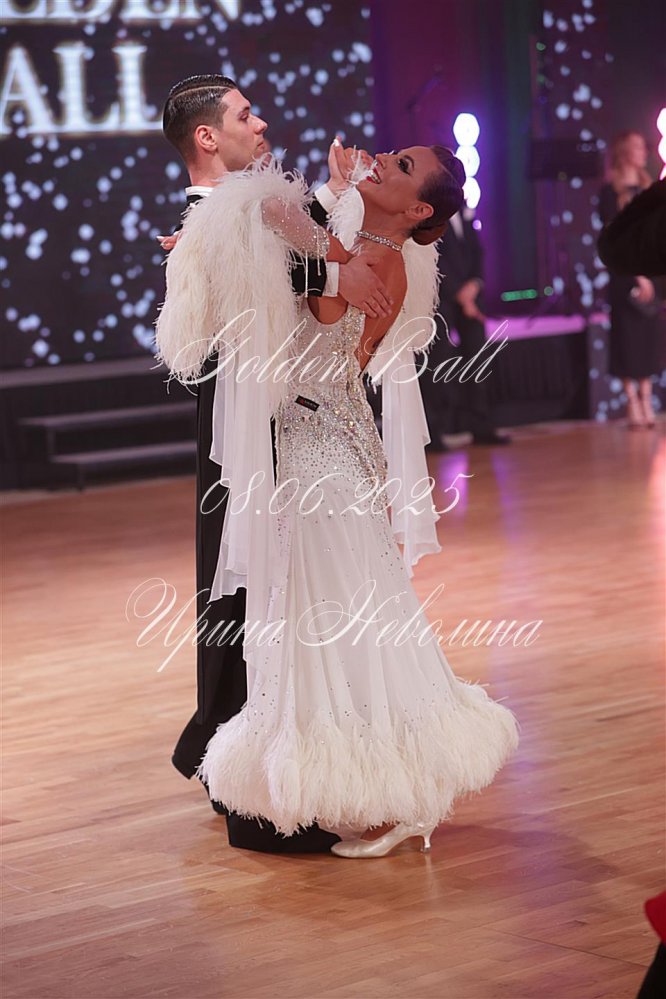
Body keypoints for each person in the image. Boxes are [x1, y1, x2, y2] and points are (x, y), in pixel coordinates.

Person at [156, 142, 520, 858]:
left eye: (403, 166)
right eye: (394, 152)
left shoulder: (374, 264)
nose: (384, 159)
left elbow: (277, 227)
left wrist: (305, 232)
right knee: (331, 622)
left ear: (417, 209)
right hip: (320, 451)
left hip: (321, 460)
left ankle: (389, 801)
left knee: (334, 625)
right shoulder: (357, 250)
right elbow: (288, 249)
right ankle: (389, 794)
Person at [159, 75, 392, 854]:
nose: (260, 125)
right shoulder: (207, 217)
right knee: (242, 589)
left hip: (275, 419)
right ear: (206, 137)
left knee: (253, 590)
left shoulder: (233, 213)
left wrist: (330, 201)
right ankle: (249, 790)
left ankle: (223, 755)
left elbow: (271, 246)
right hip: (240, 431)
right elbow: (248, 280)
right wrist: (333, 274)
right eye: (243, 115)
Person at [421, 207, 510, 449]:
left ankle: (481, 424)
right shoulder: (429, 212)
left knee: (478, 358)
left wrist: (475, 284)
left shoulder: (464, 212)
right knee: (438, 362)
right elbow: (432, 256)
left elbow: (477, 251)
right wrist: (459, 293)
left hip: (470, 296)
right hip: (440, 299)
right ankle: (434, 430)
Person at [597, 132, 664, 430]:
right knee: (627, 340)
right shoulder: (609, 193)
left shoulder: (649, 187)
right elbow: (616, 241)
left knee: (649, 339)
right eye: (637, 147)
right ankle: (631, 401)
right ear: (624, 151)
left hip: (651, 274)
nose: (643, 152)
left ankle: (647, 399)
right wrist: (638, 275)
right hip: (625, 278)